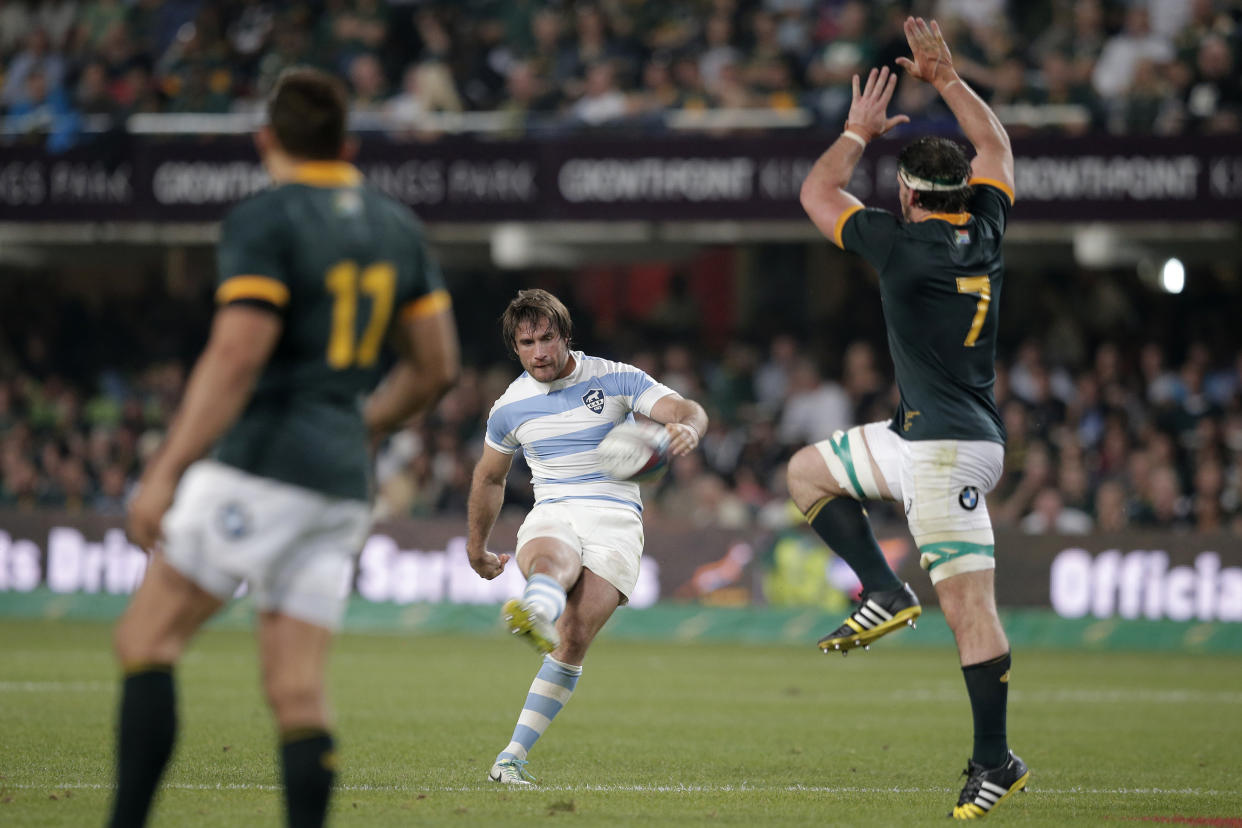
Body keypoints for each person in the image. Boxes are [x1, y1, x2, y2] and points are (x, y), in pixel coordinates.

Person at [108, 67, 460, 828]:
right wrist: (362, 425)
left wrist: (164, 472)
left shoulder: (265, 219)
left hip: (263, 461)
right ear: (347, 143)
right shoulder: (396, 225)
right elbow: (437, 366)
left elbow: (236, 357)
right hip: (340, 479)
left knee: (146, 635)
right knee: (296, 688)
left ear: (266, 139)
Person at [790, 17, 1029, 820]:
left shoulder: (899, 246)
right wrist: (951, 82)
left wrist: (857, 130)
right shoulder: (988, 225)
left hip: (944, 453)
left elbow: (817, 194)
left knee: (969, 611)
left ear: (904, 197)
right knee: (807, 471)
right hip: (932, 436)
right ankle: (885, 590)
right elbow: (995, 148)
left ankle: (995, 760)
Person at [467, 288, 708, 785]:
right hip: (554, 508)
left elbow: (686, 408)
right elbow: (488, 479)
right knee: (555, 555)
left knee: (575, 637)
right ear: (515, 347)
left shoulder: (614, 377)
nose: (539, 352)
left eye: (547, 338)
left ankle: (510, 756)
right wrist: (477, 547)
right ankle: (538, 607)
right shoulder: (509, 407)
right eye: (527, 342)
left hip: (617, 519)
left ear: (565, 335)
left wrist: (688, 429)